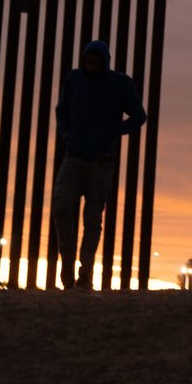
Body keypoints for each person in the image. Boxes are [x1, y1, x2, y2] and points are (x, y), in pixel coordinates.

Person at [51, 40, 146, 290]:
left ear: (105, 62)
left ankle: (86, 269)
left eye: (96, 62)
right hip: (74, 157)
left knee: (92, 218)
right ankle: (68, 262)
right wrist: (66, 135)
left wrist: (116, 132)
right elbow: (62, 111)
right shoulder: (74, 80)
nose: (92, 66)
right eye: (88, 62)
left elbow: (139, 115)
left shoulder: (119, 84)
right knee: (61, 207)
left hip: (102, 161)